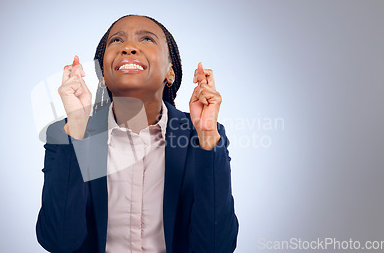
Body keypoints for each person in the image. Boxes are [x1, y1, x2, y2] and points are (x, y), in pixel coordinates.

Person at [36, 14, 239, 253]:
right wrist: (78, 129)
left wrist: (206, 136)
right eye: (116, 41)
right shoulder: (69, 133)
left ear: (170, 72)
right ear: (103, 73)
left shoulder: (202, 137)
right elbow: (58, 242)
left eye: (146, 39)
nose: (129, 48)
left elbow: (216, 246)